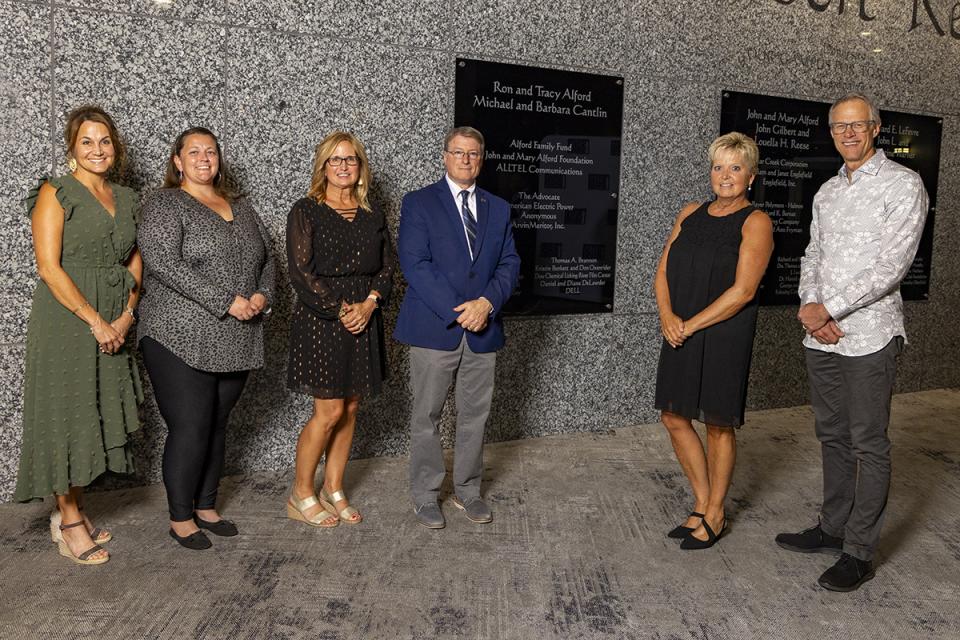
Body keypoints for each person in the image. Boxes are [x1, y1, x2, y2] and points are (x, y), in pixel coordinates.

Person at [775, 93, 928, 591]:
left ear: (876, 128)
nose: (849, 133)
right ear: (832, 131)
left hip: (871, 335)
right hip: (821, 336)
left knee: (868, 442)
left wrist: (829, 309)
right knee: (832, 436)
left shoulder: (904, 186)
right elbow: (812, 253)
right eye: (840, 126)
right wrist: (808, 306)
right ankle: (832, 528)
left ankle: (859, 551)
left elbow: (892, 267)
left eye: (858, 125)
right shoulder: (826, 192)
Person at [14, 105, 143, 565]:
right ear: (72, 147)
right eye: (87, 141)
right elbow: (48, 267)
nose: (97, 149)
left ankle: (74, 509)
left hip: (114, 313)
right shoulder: (56, 191)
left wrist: (126, 316)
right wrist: (95, 320)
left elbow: (133, 258)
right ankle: (68, 521)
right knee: (65, 415)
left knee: (94, 413)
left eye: (104, 141)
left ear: (115, 147)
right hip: (67, 318)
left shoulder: (126, 197)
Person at [137, 127, 275, 550]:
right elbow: (161, 262)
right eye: (193, 151)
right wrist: (225, 300)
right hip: (176, 333)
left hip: (236, 335)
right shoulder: (164, 204)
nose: (203, 158)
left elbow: (269, 259)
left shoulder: (241, 207)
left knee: (217, 424)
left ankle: (207, 506)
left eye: (210, 151)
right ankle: (180, 517)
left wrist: (261, 295)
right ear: (177, 161)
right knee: (192, 424)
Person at [395, 126, 520, 529]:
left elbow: (510, 264)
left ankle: (468, 491)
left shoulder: (498, 208)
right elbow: (415, 264)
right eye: (458, 152)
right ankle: (426, 495)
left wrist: (486, 304)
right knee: (426, 417)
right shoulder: (419, 203)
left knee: (474, 416)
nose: (466, 160)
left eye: (473, 154)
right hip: (435, 328)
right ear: (445, 156)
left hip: (483, 329)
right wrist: (460, 310)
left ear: (481, 159)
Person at [654, 131, 774, 550]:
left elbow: (743, 291)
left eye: (736, 168)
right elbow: (663, 270)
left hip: (724, 332)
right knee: (673, 415)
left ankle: (716, 513)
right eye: (719, 166)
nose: (726, 176)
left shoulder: (756, 221)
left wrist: (690, 324)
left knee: (719, 424)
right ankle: (702, 503)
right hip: (680, 328)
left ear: (751, 176)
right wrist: (669, 317)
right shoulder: (690, 212)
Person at [285, 131, 395, 528]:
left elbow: (386, 269)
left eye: (350, 159)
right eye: (335, 160)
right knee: (328, 410)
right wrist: (341, 308)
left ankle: (333, 487)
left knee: (350, 407)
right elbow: (301, 271)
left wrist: (369, 304)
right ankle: (300, 493)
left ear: (360, 167)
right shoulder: (307, 210)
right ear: (323, 167)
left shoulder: (372, 215)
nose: (344, 166)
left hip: (365, 314)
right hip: (321, 318)